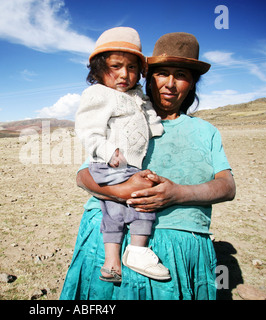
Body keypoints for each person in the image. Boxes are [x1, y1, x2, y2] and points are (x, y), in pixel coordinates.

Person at [60, 32, 236, 300]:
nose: (170, 84)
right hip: (111, 243)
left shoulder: (205, 131)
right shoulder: (122, 118)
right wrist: (124, 191)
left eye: (181, 75)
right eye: (162, 73)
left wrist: (178, 193)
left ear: (192, 83)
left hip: (181, 250)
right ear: (148, 76)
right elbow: (83, 176)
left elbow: (227, 187)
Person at [75, 27, 170, 283]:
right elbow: (87, 130)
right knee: (142, 201)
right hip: (110, 164)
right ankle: (138, 251)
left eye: (132, 68)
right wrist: (109, 152)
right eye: (116, 66)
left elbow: (148, 116)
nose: (124, 75)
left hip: (128, 166)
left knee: (114, 212)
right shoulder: (98, 94)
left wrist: (159, 129)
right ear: (97, 69)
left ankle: (111, 263)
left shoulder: (136, 95)